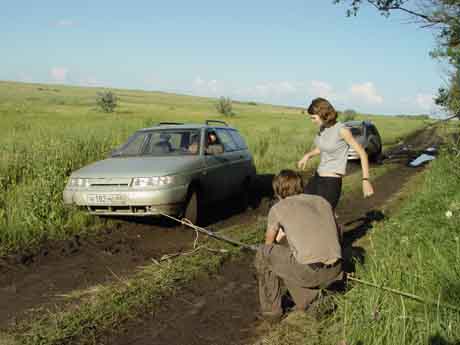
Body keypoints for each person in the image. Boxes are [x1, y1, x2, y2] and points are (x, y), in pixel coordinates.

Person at [254, 170, 343, 322]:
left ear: (277, 191)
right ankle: (312, 302)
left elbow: (269, 245)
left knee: (264, 253)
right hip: (336, 270)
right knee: (293, 257)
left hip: (311, 273)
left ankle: (272, 313)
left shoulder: (277, 208)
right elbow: (337, 232)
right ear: (300, 185)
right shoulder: (321, 201)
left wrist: (279, 237)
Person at [297, 97, 374, 210]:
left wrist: (365, 180)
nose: (312, 121)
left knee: (322, 216)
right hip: (318, 177)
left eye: (313, 118)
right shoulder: (323, 128)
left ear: (323, 114)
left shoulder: (342, 130)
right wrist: (308, 155)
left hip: (331, 182)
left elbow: (362, 153)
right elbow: (322, 148)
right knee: (303, 206)